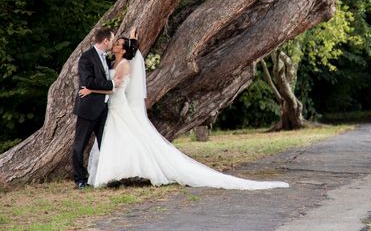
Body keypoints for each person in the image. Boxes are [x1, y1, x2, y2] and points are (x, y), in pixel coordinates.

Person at [78, 29, 289, 190]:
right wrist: (132, 40)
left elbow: (115, 87)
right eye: (114, 42)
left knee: (127, 139)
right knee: (119, 140)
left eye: (118, 44)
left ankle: (127, 173)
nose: (114, 45)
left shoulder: (124, 65)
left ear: (122, 49)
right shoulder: (112, 61)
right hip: (112, 107)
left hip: (118, 105)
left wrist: (91, 90)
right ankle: (115, 174)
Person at [72, 27, 120, 189]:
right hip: (88, 108)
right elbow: (89, 82)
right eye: (112, 40)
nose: (113, 43)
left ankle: (109, 177)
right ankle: (80, 179)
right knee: (80, 145)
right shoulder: (86, 58)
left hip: (104, 108)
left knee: (105, 144)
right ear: (105, 41)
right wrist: (112, 84)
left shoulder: (105, 58)